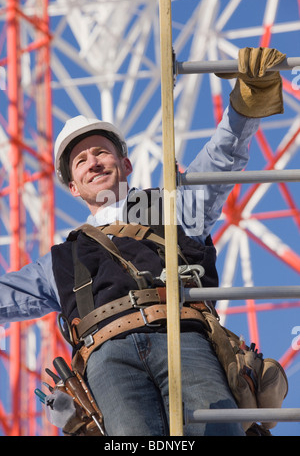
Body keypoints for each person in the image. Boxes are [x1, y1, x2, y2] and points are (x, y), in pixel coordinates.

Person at [0, 47, 285, 436]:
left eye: (101, 152)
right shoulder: (60, 260)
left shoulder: (172, 208)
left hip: (182, 336)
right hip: (107, 358)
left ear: (125, 164)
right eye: (81, 161)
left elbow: (219, 162)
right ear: (73, 186)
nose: (93, 162)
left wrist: (245, 106)